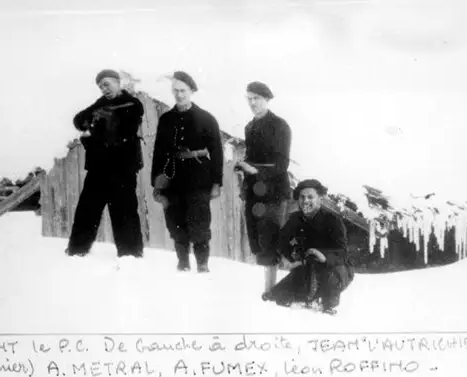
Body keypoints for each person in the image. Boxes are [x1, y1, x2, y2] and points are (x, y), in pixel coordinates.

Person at [66, 69, 145, 260]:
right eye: (101, 86)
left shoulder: (132, 105)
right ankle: (77, 251)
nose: (104, 89)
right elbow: (78, 120)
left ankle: (131, 256)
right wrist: (93, 119)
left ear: (118, 83)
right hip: (98, 168)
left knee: (124, 211)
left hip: (122, 168)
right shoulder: (101, 104)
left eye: (107, 84)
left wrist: (90, 138)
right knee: (87, 210)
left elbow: (120, 136)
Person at [151, 71, 224, 273]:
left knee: (199, 223)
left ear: (191, 91)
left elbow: (217, 152)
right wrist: (156, 185)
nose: (179, 95)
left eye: (183, 91)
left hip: (199, 177)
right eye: (175, 91)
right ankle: (182, 263)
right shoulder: (166, 119)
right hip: (173, 178)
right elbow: (158, 152)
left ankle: (202, 264)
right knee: (175, 221)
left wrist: (217, 182)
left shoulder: (206, 118)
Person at [262, 179, 355, 315]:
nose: (305, 201)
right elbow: (282, 242)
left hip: (336, 268)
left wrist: (323, 256)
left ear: (320, 199)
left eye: (310, 197)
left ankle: (327, 305)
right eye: (302, 197)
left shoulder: (333, 220)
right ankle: (307, 297)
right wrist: (294, 255)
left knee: (328, 283)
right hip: (308, 267)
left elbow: (342, 253)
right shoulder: (296, 219)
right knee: (278, 296)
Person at [235, 81, 292, 292]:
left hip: (273, 192)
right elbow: (252, 157)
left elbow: (282, 163)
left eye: (256, 98)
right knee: (256, 240)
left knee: (270, 239)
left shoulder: (280, 126)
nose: (252, 103)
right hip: (253, 191)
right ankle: (269, 289)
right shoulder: (249, 127)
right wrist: (242, 166)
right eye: (248, 98)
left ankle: (271, 290)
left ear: (267, 100)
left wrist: (257, 171)